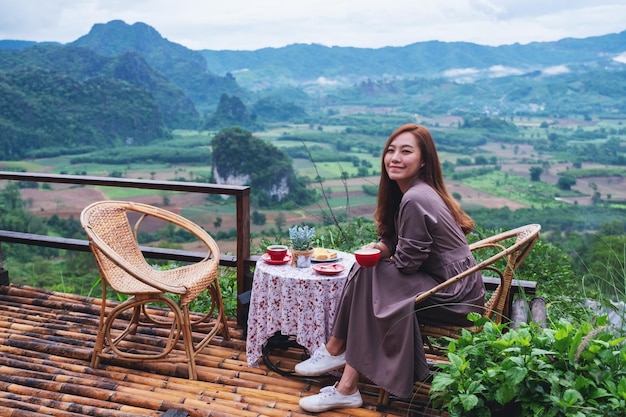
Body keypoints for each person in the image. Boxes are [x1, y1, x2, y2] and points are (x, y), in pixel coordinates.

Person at [294, 123, 486, 412]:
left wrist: (380, 261)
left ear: (423, 161)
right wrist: (380, 249)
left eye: (406, 151)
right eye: (391, 151)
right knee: (368, 270)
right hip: (448, 280)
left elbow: (408, 263)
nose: (395, 157)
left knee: (371, 278)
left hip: (455, 294)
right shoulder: (410, 191)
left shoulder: (415, 197)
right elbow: (399, 243)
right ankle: (340, 365)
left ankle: (340, 362)